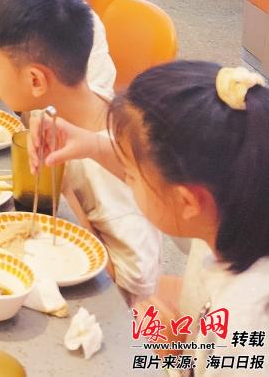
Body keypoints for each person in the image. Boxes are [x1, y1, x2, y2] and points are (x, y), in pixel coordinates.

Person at [37, 61, 269, 374]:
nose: (127, 178)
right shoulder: (230, 211)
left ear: (187, 201)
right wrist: (92, 145)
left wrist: (172, 359)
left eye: (130, 175)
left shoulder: (246, 322)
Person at [0, 0, 162, 302]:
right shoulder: (70, 104)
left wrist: (66, 197)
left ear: (36, 80)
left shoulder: (111, 171)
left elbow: (135, 289)